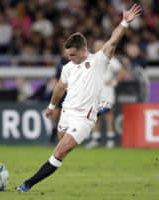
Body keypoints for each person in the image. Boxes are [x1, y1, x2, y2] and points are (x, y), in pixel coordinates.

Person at [16, 4, 141, 192]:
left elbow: (113, 40)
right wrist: (51, 105)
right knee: (61, 144)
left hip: (83, 119)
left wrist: (124, 22)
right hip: (66, 113)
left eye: (73, 55)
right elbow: (59, 86)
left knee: (58, 153)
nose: (70, 58)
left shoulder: (98, 61)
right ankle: (98, 106)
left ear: (83, 50)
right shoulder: (68, 67)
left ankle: (26, 185)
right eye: (68, 55)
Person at [85, 40, 127, 149]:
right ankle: (96, 139)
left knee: (109, 115)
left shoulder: (110, 59)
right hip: (95, 91)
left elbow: (122, 73)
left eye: (100, 46)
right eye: (96, 46)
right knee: (95, 116)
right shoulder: (91, 60)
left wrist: (113, 82)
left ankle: (110, 140)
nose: (98, 48)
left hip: (106, 91)